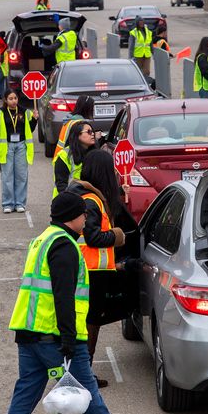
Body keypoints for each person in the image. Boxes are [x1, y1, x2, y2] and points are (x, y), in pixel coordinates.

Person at [0, 191, 153, 414]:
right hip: (55, 336)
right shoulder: (64, 247)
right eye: (83, 213)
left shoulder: (44, 239)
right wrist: (70, 340)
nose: (86, 218)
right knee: (87, 391)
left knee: (26, 392)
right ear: (72, 217)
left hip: (30, 330)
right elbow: (64, 298)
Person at [65, 151, 127, 388]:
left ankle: (78, 371)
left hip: (84, 268)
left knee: (82, 322)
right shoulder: (92, 200)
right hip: (92, 271)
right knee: (91, 322)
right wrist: (118, 236)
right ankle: (83, 373)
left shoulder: (80, 193)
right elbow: (92, 237)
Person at [0, 89, 38, 213]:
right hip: (6, 147)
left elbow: (31, 129)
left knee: (21, 176)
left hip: (21, 146)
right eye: (11, 99)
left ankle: (20, 203)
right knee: (7, 176)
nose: (14, 101)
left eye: (15, 98)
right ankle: (8, 203)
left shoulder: (24, 111)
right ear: (5, 100)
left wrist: (34, 119)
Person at [53, 121, 97, 196]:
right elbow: (61, 185)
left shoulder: (96, 153)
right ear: (77, 135)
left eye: (93, 131)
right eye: (89, 132)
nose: (92, 134)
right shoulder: (64, 156)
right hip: (67, 200)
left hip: (90, 200)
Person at [53, 95, 96, 160]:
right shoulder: (79, 124)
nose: (93, 110)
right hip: (68, 160)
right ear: (87, 109)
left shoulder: (69, 120)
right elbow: (81, 144)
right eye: (89, 132)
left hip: (60, 157)